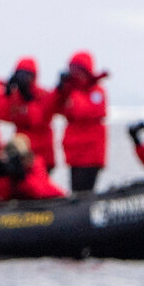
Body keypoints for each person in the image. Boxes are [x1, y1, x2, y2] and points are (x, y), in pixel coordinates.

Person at [56, 50, 109, 193]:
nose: (73, 73)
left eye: (76, 69)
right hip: (75, 155)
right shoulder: (71, 91)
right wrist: (60, 89)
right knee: (77, 191)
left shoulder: (96, 92)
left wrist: (72, 91)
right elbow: (53, 108)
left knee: (84, 192)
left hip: (90, 155)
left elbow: (82, 112)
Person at [0, 57, 59, 172]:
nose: (23, 79)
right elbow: (1, 114)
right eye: (19, 75)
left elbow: (36, 120)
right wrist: (7, 94)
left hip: (42, 152)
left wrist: (29, 99)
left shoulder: (43, 95)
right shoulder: (15, 96)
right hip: (21, 151)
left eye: (26, 75)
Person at [0, 134, 66, 201]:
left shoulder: (35, 164)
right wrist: (3, 174)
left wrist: (21, 179)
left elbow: (39, 191)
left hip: (40, 207)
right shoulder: (5, 169)